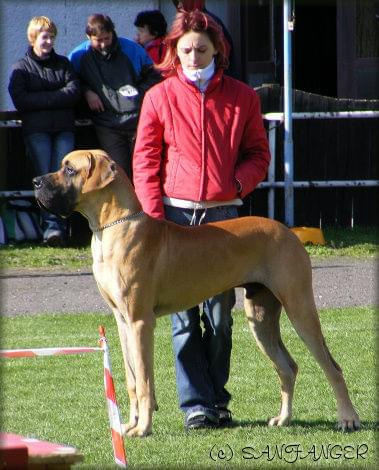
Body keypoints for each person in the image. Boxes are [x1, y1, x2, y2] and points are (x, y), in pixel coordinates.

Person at [133, 10, 270, 430]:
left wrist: (237, 184)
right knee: (183, 319)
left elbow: (259, 156)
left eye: (201, 49)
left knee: (220, 317)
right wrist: (154, 217)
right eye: (185, 49)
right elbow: (145, 160)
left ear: (217, 51)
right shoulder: (158, 97)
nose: (193, 56)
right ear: (174, 51)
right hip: (172, 218)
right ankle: (195, 405)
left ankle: (218, 401)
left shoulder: (244, 97)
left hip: (224, 218)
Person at [8, 16, 80, 247]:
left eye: (52, 37)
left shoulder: (64, 64)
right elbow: (21, 99)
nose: (49, 41)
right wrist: (56, 98)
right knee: (45, 179)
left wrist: (41, 99)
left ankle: (61, 225)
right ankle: (50, 227)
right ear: (33, 38)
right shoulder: (21, 68)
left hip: (63, 130)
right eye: (45, 37)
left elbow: (74, 92)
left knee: (63, 179)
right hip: (37, 131)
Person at [68, 14, 160, 177]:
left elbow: (154, 78)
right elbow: (70, 82)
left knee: (143, 171)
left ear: (113, 33)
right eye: (98, 40)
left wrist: (138, 95)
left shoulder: (132, 49)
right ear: (88, 37)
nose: (103, 44)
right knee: (120, 175)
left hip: (137, 121)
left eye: (107, 38)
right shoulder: (78, 56)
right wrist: (86, 91)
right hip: (108, 125)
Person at [171, 0, 238, 78]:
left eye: (201, 50)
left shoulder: (208, 22)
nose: (193, 58)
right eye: (186, 51)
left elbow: (224, 56)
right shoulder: (181, 24)